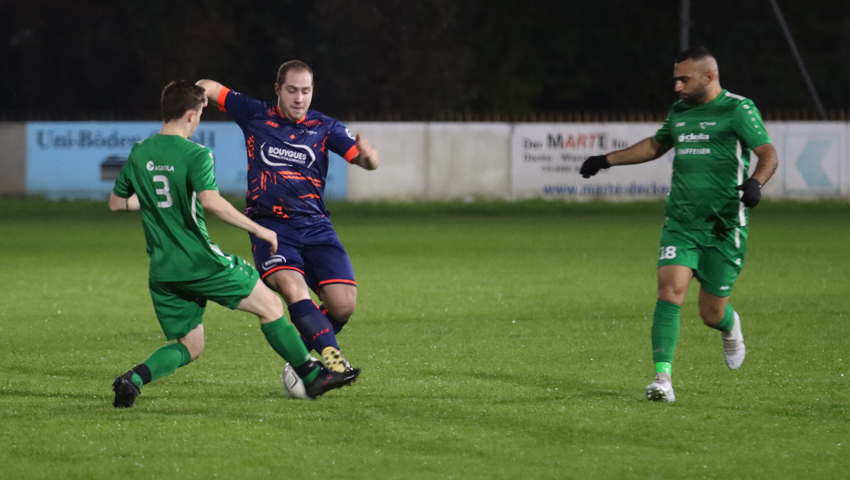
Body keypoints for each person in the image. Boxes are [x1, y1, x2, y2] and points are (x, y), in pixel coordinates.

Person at [109, 80, 358, 408]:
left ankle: (133, 379)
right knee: (271, 306)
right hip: (200, 261)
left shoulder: (140, 152)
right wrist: (260, 229)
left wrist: (155, 201)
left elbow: (117, 203)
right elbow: (211, 202)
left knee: (190, 345)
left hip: (163, 270)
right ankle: (311, 375)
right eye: (198, 114)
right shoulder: (195, 154)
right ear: (190, 116)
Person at [580, 47, 778, 402]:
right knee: (669, 291)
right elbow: (656, 145)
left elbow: (767, 152)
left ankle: (730, 324)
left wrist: (755, 183)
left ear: (709, 77)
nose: (677, 86)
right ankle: (663, 379)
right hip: (682, 222)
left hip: (724, 227)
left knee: (710, 312)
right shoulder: (680, 112)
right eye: (676, 79)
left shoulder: (738, 109)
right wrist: (605, 160)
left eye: (684, 79)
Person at [196, 61, 379, 374]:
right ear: (278, 90)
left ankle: (300, 353)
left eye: (306, 91)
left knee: (343, 304)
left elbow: (364, 161)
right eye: (292, 90)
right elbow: (212, 87)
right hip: (271, 227)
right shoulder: (256, 114)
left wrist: (368, 156)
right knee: (294, 290)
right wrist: (197, 95)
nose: (299, 98)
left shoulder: (325, 127)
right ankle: (333, 360)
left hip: (316, 226)